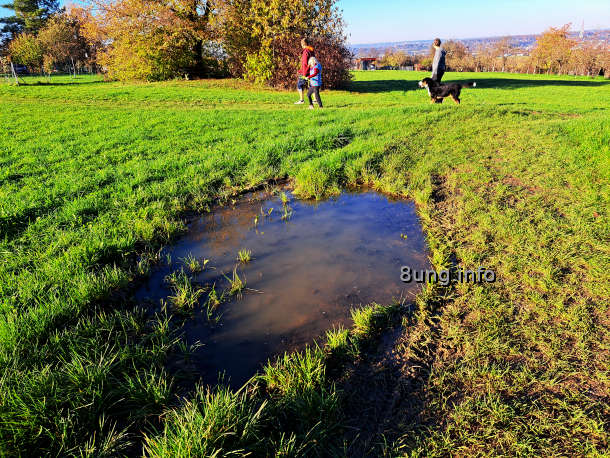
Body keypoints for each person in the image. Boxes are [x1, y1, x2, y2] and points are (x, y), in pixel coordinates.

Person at [295, 38, 315, 105]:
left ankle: (301, 100)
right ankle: (315, 100)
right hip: (312, 70)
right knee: (312, 85)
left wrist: (304, 73)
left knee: (299, 85)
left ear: (302, 44)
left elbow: (304, 63)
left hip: (305, 71)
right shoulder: (311, 50)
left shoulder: (306, 51)